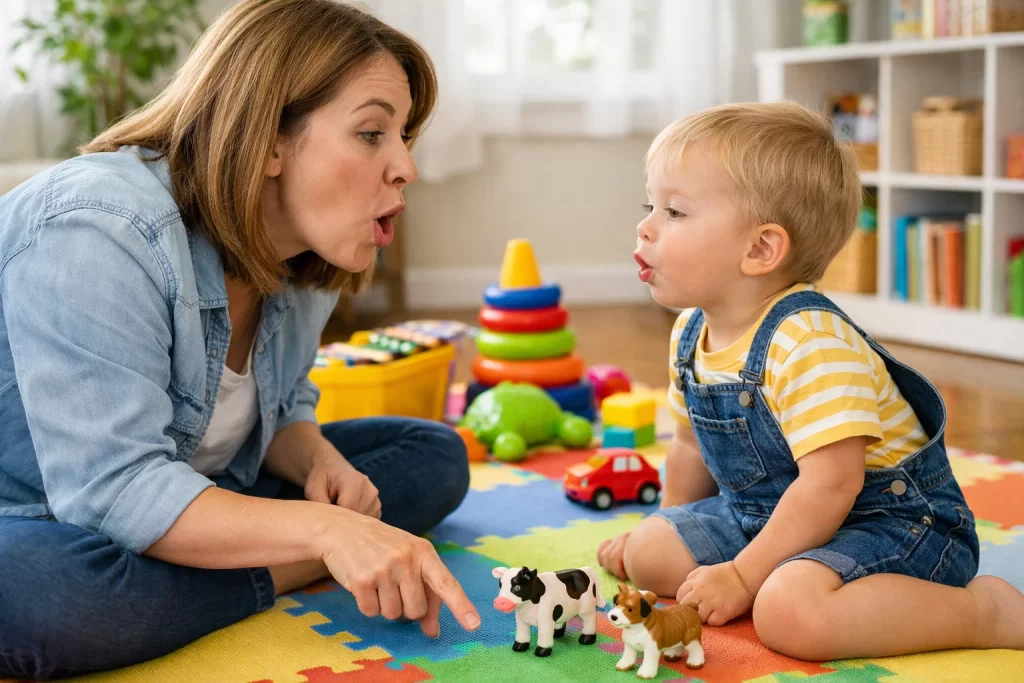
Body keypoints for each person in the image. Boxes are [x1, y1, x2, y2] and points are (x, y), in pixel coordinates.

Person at [0, 1, 480, 678]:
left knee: (433, 453)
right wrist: (328, 532)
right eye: (373, 133)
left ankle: (217, 563)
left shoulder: (307, 249)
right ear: (269, 139)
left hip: (186, 482)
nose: (406, 166)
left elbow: (276, 407)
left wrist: (316, 461)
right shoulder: (99, 227)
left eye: (405, 136)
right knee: (35, 594)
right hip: (40, 512)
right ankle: (284, 567)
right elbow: (114, 487)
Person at [597, 101, 1024, 661]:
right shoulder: (690, 331)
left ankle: (984, 612)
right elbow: (687, 446)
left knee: (788, 614)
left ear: (760, 249)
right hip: (769, 515)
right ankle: (771, 572)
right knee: (651, 552)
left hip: (890, 523)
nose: (645, 226)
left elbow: (832, 486)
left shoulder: (809, 340)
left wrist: (745, 577)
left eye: (674, 212)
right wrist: (674, 523)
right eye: (651, 205)